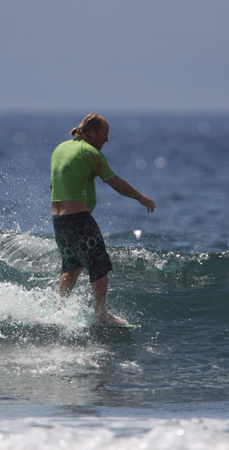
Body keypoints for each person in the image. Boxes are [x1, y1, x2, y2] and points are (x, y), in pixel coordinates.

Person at [50, 113, 156, 324]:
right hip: (78, 219)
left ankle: (58, 313)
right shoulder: (90, 153)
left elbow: (54, 184)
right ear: (91, 133)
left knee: (71, 266)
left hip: (59, 221)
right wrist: (141, 198)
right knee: (98, 261)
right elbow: (115, 182)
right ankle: (100, 313)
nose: (106, 139)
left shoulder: (60, 148)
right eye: (104, 134)